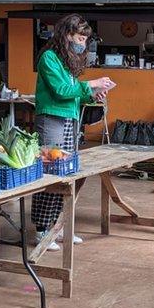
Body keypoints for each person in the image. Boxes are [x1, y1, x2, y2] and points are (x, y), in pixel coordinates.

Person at [31, 14, 112, 250]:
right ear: (66, 35)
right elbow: (60, 90)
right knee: (50, 175)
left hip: (70, 119)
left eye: (86, 39)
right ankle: (42, 230)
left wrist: (92, 94)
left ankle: (58, 228)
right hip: (52, 119)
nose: (83, 43)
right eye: (79, 38)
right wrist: (92, 84)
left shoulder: (67, 61)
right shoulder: (49, 58)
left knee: (66, 174)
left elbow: (74, 91)